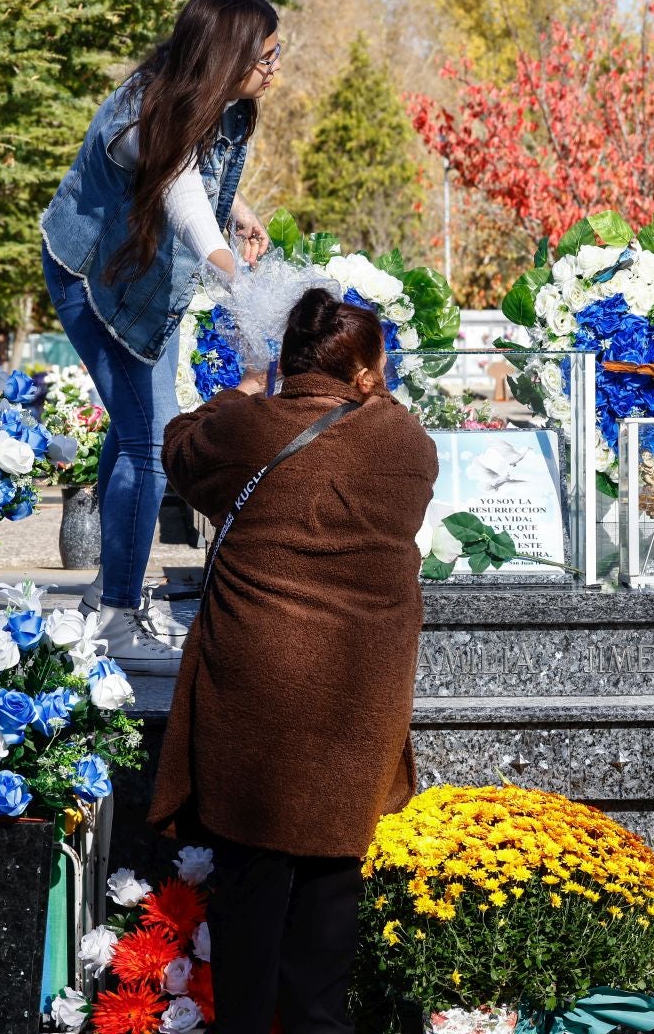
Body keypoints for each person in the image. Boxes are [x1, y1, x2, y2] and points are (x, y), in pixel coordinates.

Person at [149, 287, 438, 1034]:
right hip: (357, 696)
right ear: (368, 369)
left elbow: (180, 448)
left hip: (257, 692)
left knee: (249, 880)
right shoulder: (407, 444)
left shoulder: (249, 425)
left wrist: (242, 390)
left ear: (286, 359)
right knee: (332, 878)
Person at [40, 0, 281, 673]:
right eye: (264, 56)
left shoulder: (209, 102)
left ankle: (103, 598)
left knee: (133, 428)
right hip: (95, 280)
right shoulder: (141, 112)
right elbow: (175, 188)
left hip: (145, 285)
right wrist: (230, 266)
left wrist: (238, 211)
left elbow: (198, 180)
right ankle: (116, 614)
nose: (272, 69)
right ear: (226, 53)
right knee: (151, 441)